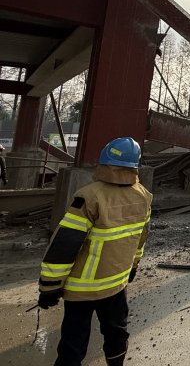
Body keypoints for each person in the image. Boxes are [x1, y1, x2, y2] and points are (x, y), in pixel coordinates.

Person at [37, 137, 152, 366]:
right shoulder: (143, 196)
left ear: (104, 163)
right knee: (117, 335)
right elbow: (141, 237)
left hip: (83, 288)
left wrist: (49, 286)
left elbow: (66, 244)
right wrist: (134, 266)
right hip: (117, 285)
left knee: (73, 344)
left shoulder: (89, 196)